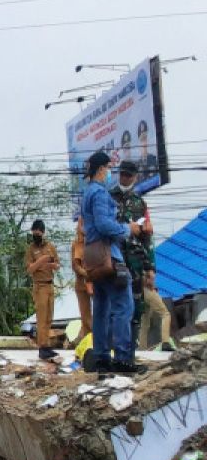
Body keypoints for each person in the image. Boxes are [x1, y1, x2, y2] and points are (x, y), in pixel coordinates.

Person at [82, 151, 144, 374]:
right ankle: (122, 358)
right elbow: (104, 225)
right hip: (109, 255)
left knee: (101, 308)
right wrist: (128, 229)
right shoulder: (99, 193)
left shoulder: (87, 193)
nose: (110, 173)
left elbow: (86, 226)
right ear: (101, 169)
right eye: (108, 168)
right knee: (123, 307)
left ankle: (102, 358)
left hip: (93, 258)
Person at [111, 160, 155, 350]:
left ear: (135, 177)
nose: (125, 178)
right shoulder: (107, 198)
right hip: (115, 259)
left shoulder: (140, 203)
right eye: (122, 174)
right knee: (116, 304)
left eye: (129, 175)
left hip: (136, 261)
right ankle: (116, 348)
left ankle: (131, 350)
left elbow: (148, 238)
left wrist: (150, 268)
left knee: (136, 305)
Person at [25, 219, 60, 360]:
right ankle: (42, 347)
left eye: (38, 233)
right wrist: (41, 261)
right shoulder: (31, 249)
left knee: (49, 317)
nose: (36, 235)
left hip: (50, 284)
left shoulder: (50, 246)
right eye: (34, 233)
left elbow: (57, 264)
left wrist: (51, 265)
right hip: (39, 286)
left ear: (43, 232)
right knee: (41, 317)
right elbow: (30, 269)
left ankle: (47, 345)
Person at [138, 270, 174, 351]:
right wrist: (152, 286)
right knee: (165, 314)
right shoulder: (147, 260)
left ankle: (142, 348)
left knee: (145, 322)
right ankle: (165, 343)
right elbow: (150, 275)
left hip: (139, 291)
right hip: (148, 289)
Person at [70, 216, 93, 343]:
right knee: (85, 314)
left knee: (100, 311)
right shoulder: (76, 244)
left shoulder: (94, 242)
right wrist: (85, 273)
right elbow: (75, 265)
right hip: (81, 284)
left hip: (95, 283)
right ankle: (87, 339)